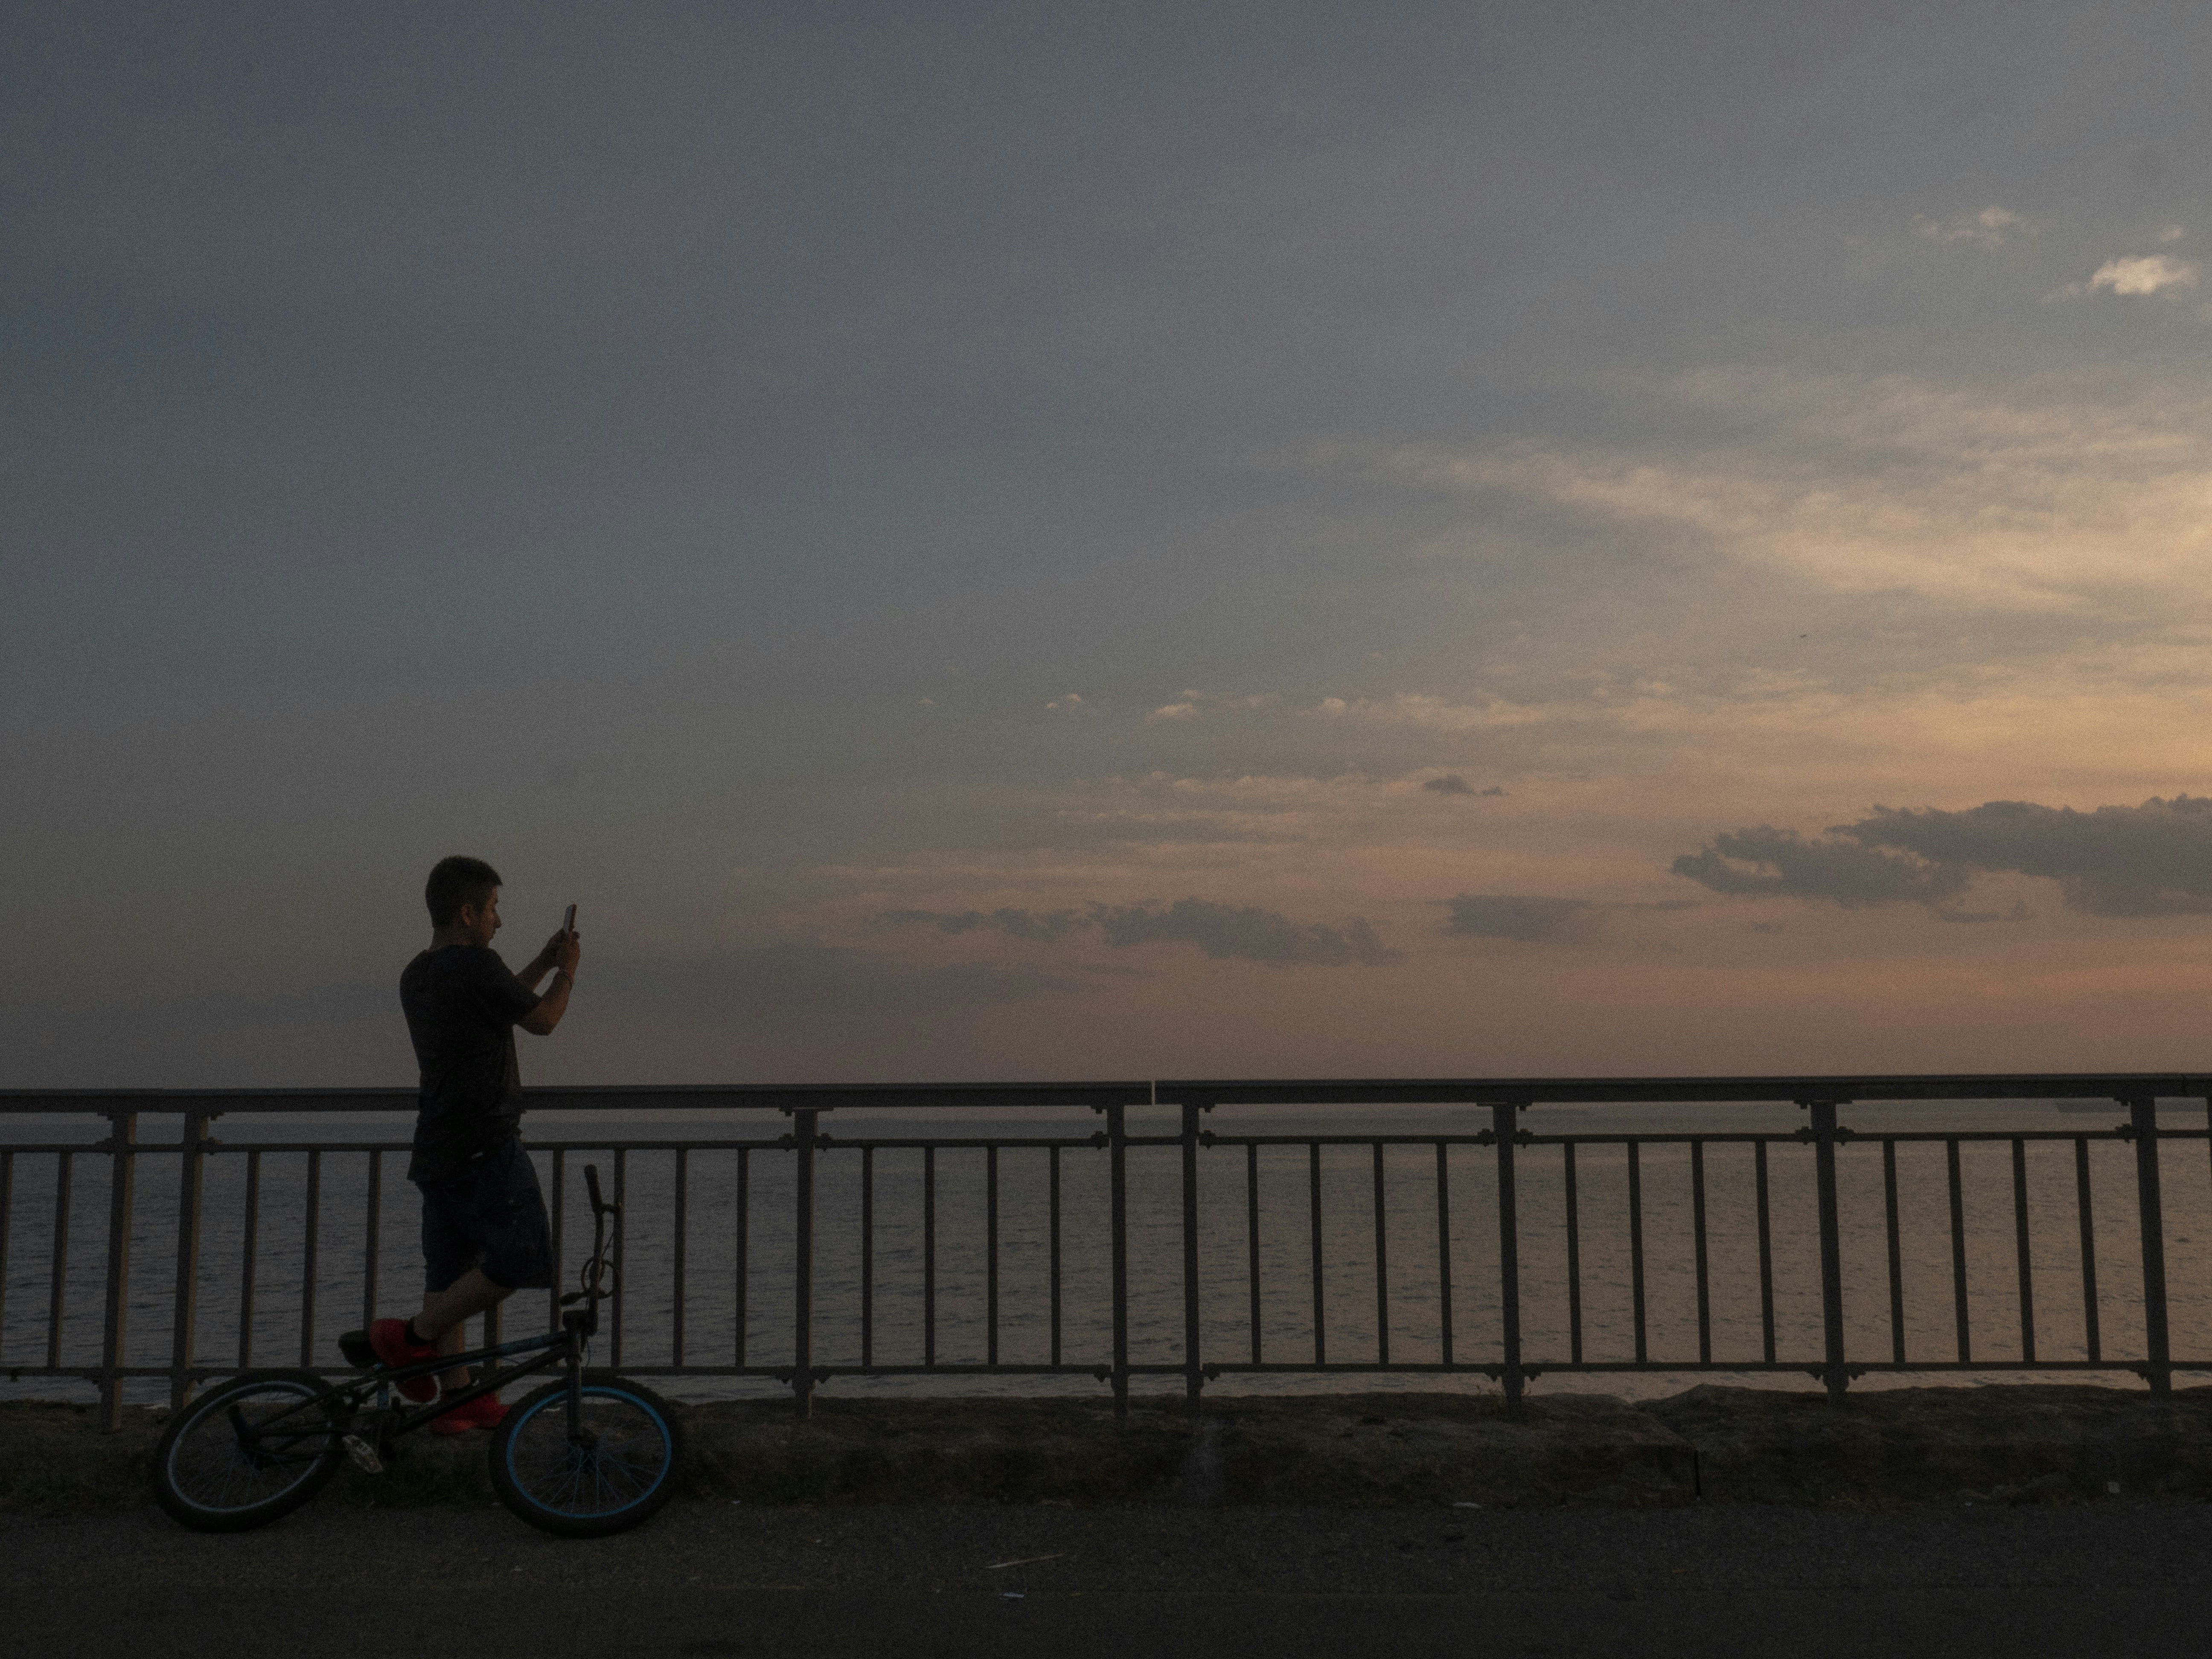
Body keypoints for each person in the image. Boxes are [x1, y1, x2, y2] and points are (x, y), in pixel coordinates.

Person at [368, 856, 579, 1432]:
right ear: (467, 913)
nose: (498, 921)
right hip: (486, 1143)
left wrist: (543, 960)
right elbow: (542, 1020)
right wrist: (567, 972)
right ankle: (410, 1337)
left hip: (437, 1146)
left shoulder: (418, 973)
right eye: (492, 910)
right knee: (522, 1257)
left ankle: (456, 1398)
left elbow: (500, 1001)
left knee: (450, 1272)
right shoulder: (477, 965)